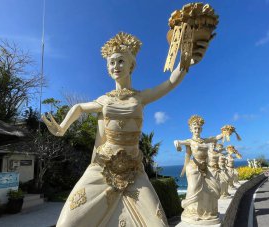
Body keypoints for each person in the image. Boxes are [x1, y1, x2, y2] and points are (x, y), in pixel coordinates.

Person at [42, 32, 211, 227]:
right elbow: (79, 107)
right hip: (102, 167)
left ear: (131, 65)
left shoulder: (140, 97)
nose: (116, 66)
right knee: (68, 222)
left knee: (157, 223)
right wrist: (63, 127)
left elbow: (170, 82)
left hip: (134, 170)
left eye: (121, 61)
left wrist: (185, 59)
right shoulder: (104, 99)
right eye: (111, 63)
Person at [173, 115, 228, 225]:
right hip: (194, 166)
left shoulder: (204, 140)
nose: (197, 130)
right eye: (195, 128)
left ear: (201, 129)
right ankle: (189, 209)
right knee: (194, 189)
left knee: (214, 188)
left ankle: (205, 211)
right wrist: (177, 144)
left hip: (205, 166)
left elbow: (216, 138)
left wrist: (224, 133)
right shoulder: (190, 141)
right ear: (191, 129)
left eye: (199, 128)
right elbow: (178, 142)